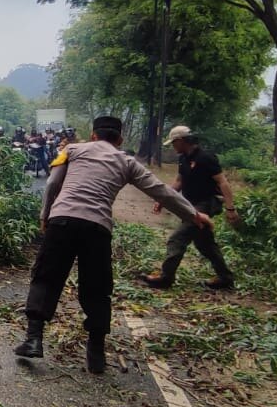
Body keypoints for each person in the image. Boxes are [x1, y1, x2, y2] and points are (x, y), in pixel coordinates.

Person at [16, 116, 211, 374]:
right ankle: (96, 353)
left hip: (62, 221)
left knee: (46, 277)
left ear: (93, 135)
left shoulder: (71, 149)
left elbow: (52, 184)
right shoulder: (126, 161)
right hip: (97, 228)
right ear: (120, 140)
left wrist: (45, 216)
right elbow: (160, 190)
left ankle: (33, 339)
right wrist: (193, 215)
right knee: (96, 288)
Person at [141, 126, 240, 290]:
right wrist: (163, 199)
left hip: (206, 203)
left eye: (174, 143)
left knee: (177, 238)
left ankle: (166, 278)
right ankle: (225, 278)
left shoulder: (206, 158)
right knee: (205, 243)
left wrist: (231, 208)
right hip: (191, 204)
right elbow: (179, 181)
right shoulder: (184, 159)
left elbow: (223, 182)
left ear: (181, 141)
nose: (173, 147)